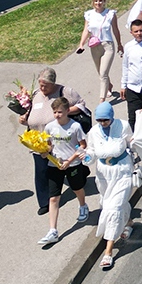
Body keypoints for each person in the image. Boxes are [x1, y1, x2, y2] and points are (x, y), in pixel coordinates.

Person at [19, 68, 86, 216]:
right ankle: (45, 202)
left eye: (46, 86)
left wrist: (65, 111)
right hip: (38, 141)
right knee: (42, 171)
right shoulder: (36, 93)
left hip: (60, 140)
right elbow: (30, 111)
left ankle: (80, 173)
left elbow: (81, 105)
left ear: (53, 83)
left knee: (64, 166)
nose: (42, 88)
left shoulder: (65, 91)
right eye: (41, 84)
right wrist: (24, 118)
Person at [85, 102, 135, 270]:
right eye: (99, 120)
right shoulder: (93, 131)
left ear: (112, 117)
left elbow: (131, 143)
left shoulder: (123, 126)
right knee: (108, 204)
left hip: (122, 171)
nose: (103, 123)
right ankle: (128, 222)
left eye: (105, 120)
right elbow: (91, 151)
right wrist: (85, 158)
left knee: (113, 209)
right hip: (103, 175)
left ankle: (108, 251)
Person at [36, 97, 90, 246]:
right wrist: (44, 152)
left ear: (67, 111)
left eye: (60, 112)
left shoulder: (75, 127)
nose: (57, 115)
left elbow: (82, 145)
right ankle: (53, 230)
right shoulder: (49, 127)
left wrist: (70, 161)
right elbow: (48, 145)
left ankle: (83, 205)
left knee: (77, 188)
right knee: (53, 198)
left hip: (72, 164)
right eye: (54, 112)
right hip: (55, 165)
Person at [78, 0, 123, 103]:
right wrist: (81, 44)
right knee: (101, 72)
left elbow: (116, 30)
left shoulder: (110, 14)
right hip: (95, 46)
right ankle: (109, 85)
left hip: (108, 46)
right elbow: (86, 30)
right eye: (96, 1)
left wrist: (119, 44)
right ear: (93, 2)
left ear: (104, 2)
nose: (98, 3)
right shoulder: (89, 14)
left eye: (100, 1)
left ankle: (101, 101)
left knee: (103, 74)